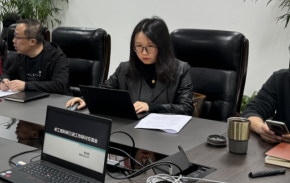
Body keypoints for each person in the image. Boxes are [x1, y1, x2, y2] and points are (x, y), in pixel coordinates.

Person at [66, 17, 194, 116]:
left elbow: (187, 108)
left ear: (162, 46)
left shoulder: (181, 69)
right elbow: (103, 91)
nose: (144, 52)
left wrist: (152, 107)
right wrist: (86, 99)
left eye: (150, 46)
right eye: (139, 46)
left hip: (165, 135)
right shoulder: (124, 69)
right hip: (130, 131)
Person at [0, 19, 69, 95]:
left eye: (17, 37)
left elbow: (59, 85)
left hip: (54, 100)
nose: (13, 40)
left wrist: (26, 85)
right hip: (28, 99)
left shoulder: (56, 56)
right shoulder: (22, 55)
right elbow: (8, 73)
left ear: (32, 41)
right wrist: (3, 81)